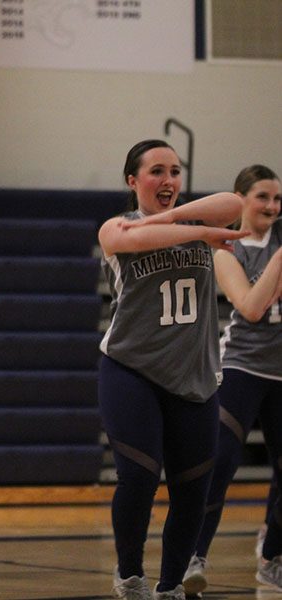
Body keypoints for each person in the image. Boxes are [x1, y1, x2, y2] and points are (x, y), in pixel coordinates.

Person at [97, 139, 246, 600]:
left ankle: (170, 586)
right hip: (131, 368)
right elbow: (132, 239)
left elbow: (235, 202)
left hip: (195, 375)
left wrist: (182, 221)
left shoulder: (196, 218)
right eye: (156, 171)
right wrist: (193, 231)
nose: (168, 180)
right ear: (132, 181)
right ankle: (129, 575)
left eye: (175, 172)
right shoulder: (116, 226)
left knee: (192, 490)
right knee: (139, 477)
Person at [182, 165, 282, 596]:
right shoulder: (226, 250)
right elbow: (251, 307)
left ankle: (272, 555)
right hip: (241, 366)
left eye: (278, 199)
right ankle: (193, 554)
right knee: (220, 462)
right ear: (240, 199)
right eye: (263, 197)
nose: (273, 206)